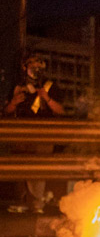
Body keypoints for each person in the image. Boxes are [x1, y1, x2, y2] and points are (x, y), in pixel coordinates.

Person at [4, 53, 64, 213]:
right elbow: (7, 111)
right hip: (21, 134)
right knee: (20, 167)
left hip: (43, 134)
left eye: (39, 67)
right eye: (33, 67)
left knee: (38, 169)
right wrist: (14, 102)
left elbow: (60, 110)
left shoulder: (50, 86)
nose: (36, 70)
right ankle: (22, 201)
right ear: (25, 68)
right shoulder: (17, 87)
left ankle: (36, 204)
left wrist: (46, 98)